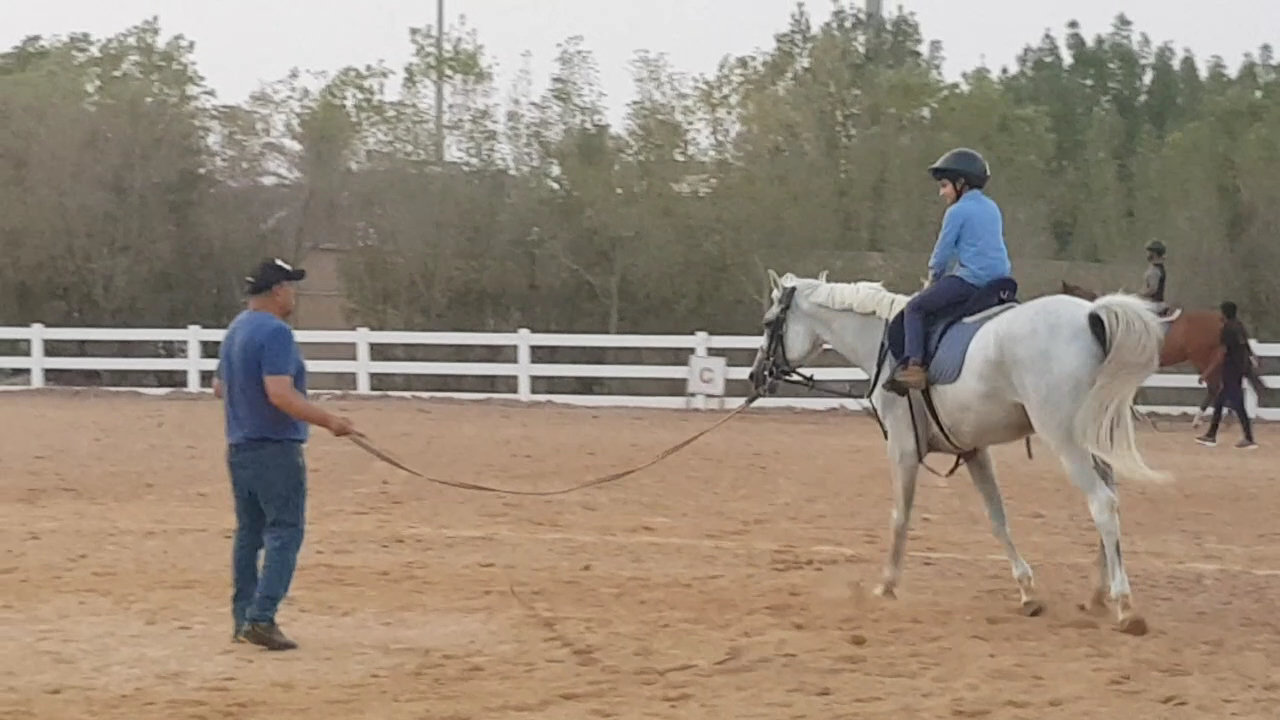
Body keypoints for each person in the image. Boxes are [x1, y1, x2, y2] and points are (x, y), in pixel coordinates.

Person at [213, 257, 356, 650]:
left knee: (249, 534)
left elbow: (220, 388)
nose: (293, 295)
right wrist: (329, 420)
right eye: (291, 287)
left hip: (240, 446)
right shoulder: (275, 333)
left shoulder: (236, 330)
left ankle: (243, 618)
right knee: (285, 531)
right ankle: (263, 617)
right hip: (275, 449)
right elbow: (279, 393)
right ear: (278, 291)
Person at [892, 147, 1012, 391]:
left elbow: (942, 253)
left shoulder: (956, 212)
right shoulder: (992, 208)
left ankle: (914, 367)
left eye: (944, 185)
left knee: (915, 308)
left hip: (971, 281)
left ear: (961, 184)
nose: (941, 193)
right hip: (1000, 281)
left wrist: (933, 279)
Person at [1195, 300, 1258, 449]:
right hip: (1239, 368)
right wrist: (1252, 357)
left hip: (1231, 369)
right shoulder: (1239, 325)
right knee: (1219, 402)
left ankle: (1249, 439)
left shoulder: (1227, 329)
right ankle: (1211, 435)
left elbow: (1222, 352)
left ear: (1223, 313)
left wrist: (1207, 372)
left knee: (1238, 404)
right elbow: (1245, 345)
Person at [1138, 240, 1168, 312]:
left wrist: (1138, 295)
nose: (1147, 254)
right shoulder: (1158, 267)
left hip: (1153, 305)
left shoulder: (1155, 270)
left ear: (1154, 253)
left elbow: (1152, 289)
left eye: (1148, 252)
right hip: (1155, 304)